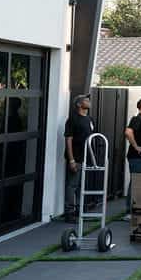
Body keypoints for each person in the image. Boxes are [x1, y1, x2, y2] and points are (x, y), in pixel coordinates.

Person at [63, 94, 96, 222]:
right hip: (76, 157)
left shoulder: (89, 119)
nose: (89, 102)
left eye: (88, 100)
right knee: (72, 185)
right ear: (79, 104)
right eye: (86, 100)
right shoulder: (73, 119)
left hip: (87, 157)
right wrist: (71, 160)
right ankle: (69, 213)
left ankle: (79, 212)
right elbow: (68, 139)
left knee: (81, 186)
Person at [124, 98, 141, 218]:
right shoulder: (137, 118)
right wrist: (136, 147)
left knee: (139, 182)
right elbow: (128, 132)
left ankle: (135, 210)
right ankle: (129, 212)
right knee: (136, 182)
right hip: (137, 157)